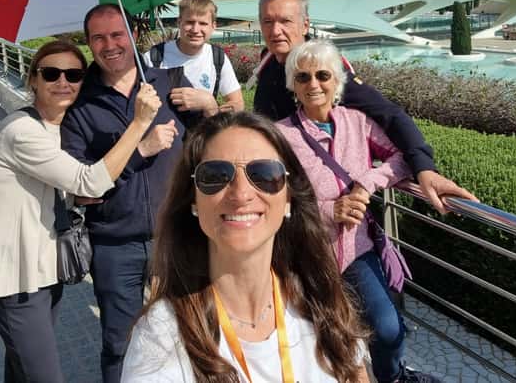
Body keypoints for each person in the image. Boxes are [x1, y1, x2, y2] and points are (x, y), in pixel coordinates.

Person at [121, 111, 369, 382]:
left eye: (264, 174)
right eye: (216, 176)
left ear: (288, 198)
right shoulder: (162, 337)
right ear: (194, 201)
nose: (241, 194)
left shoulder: (320, 300)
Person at [0, 40, 162, 383]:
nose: (63, 82)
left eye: (73, 75)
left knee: (22, 370)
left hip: (43, 268)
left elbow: (72, 189)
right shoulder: (22, 131)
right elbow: (89, 182)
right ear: (33, 79)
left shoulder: (55, 129)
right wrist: (139, 125)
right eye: (51, 74)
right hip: (16, 277)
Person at [276, 40, 438, 383]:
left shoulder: (357, 122)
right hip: (306, 257)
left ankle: (393, 377)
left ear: (337, 81)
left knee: (388, 329)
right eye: (303, 77)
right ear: (293, 85)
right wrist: (328, 210)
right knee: (323, 341)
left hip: (356, 250)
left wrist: (366, 183)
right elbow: (274, 198)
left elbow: (400, 158)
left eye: (322, 75)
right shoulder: (280, 135)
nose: (313, 84)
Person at [60, 3, 200, 383]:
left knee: (187, 334)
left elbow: (207, 142)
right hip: (114, 244)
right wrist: (140, 148)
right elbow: (82, 190)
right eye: (99, 38)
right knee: (120, 344)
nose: (110, 45)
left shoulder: (168, 83)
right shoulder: (78, 104)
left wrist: (210, 104)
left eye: (117, 34)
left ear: (133, 35)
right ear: (88, 43)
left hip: (173, 236)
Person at [253, 0, 477, 215]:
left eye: (285, 21)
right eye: (267, 22)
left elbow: (390, 115)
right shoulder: (268, 62)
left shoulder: (325, 73)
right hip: (275, 192)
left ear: (305, 25)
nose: (276, 30)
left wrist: (424, 168)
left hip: (323, 210)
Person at [143, 0, 244, 114]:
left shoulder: (217, 57)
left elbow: (238, 104)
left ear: (213, 26)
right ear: (179, 22)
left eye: (203, 23)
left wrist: (209, 104)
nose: (195, 30)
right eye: (190, 22)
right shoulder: (154, 57)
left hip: (204, 125)